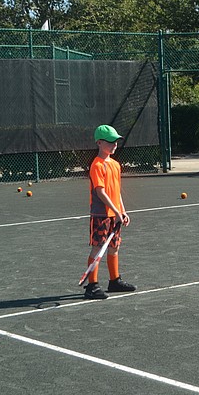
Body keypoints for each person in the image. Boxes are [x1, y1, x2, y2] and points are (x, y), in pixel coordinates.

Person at [84, 124, 135, 299]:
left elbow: (116, 191)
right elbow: (101, 192)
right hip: (101, 214)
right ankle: (92, 286)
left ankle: (114, 281)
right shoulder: (97, 165)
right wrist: (115, 210)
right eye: (110, 141)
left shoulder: (115, 165)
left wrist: (122, 211)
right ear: (99, 142)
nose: (114, 145)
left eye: (116, 141)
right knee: (98, 248)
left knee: (114, 247)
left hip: (115, 214)